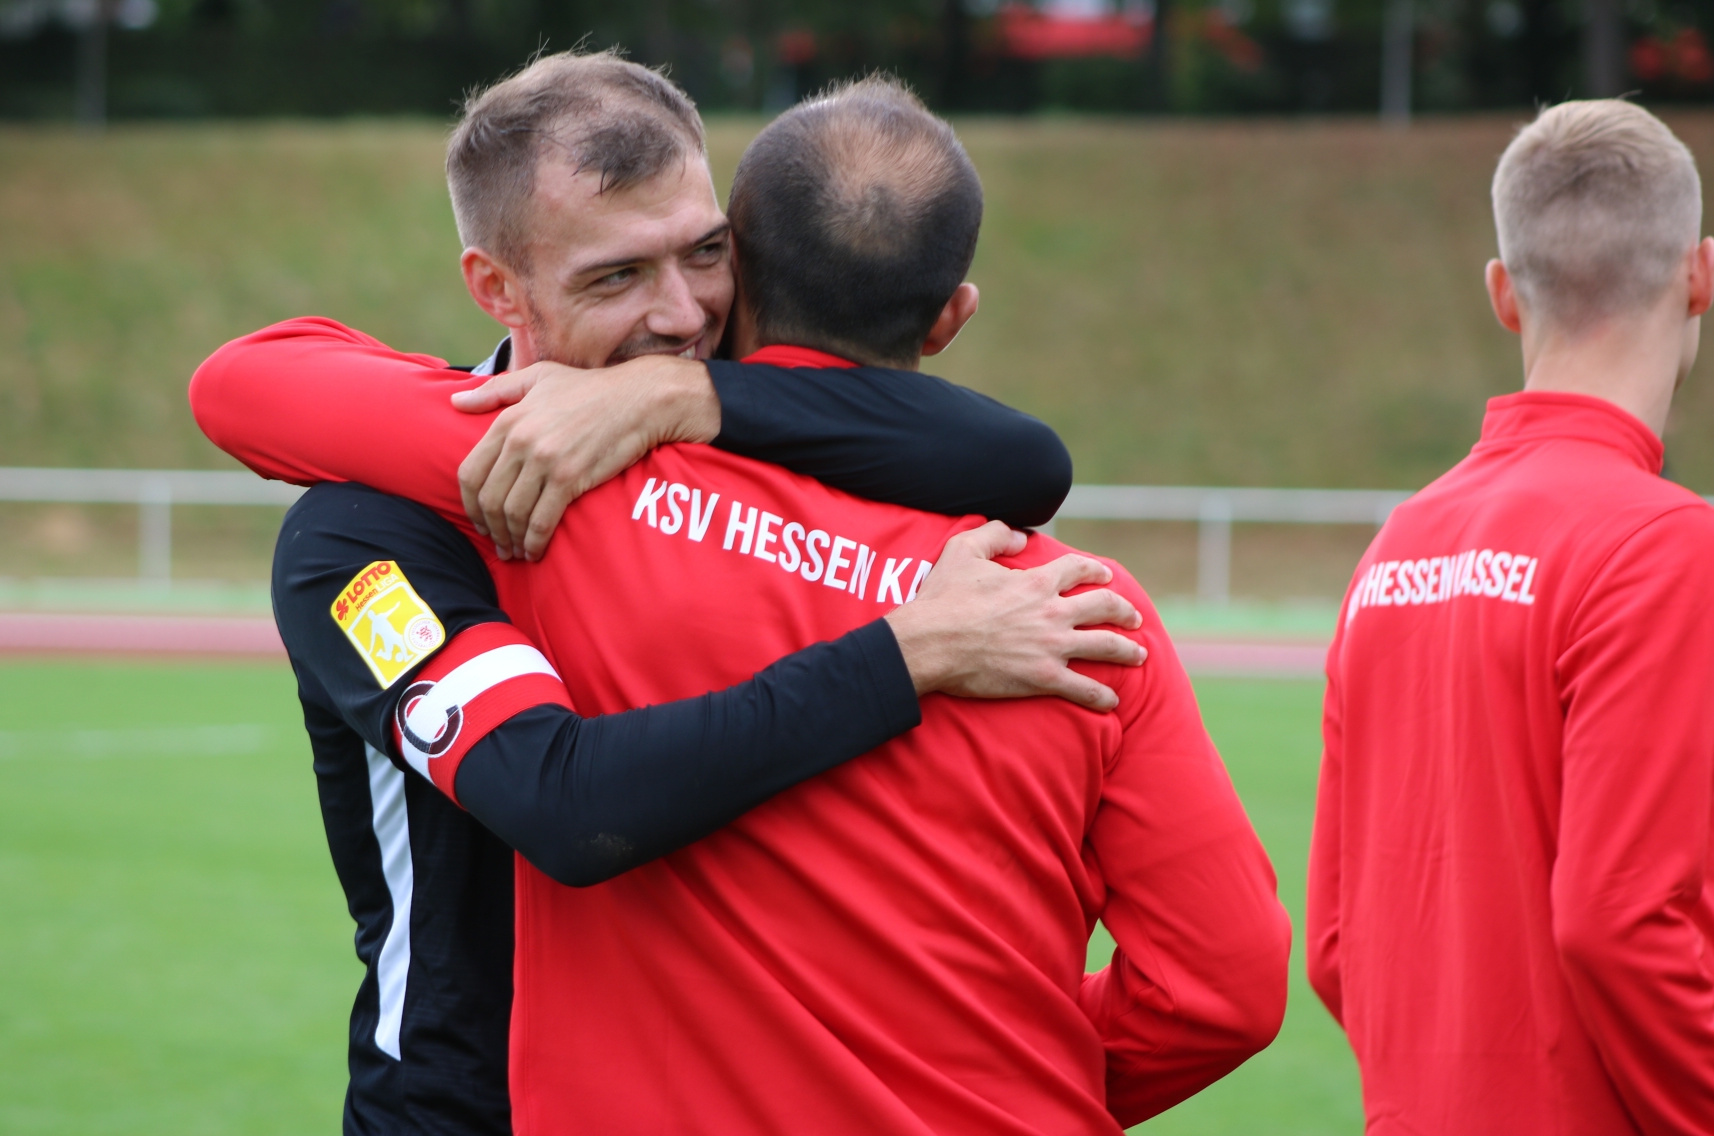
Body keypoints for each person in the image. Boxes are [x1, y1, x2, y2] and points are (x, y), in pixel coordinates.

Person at [195, 75, 1289, 1134]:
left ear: (751, 261)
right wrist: (900, 653)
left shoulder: (702, 442)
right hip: (456, 1105)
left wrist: (692, 392)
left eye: (706, 253)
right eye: (616, 276)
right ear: (497, 287)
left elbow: (1021, 457)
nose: (681, 314)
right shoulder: (379, 519)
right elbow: (565, 800)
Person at [1307, 99, 1714, 1134]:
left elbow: (1339, 942)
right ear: (1700, 275)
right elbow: (1622, 921)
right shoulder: (1667, 545)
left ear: (1502, 293)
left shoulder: (1397, 547)